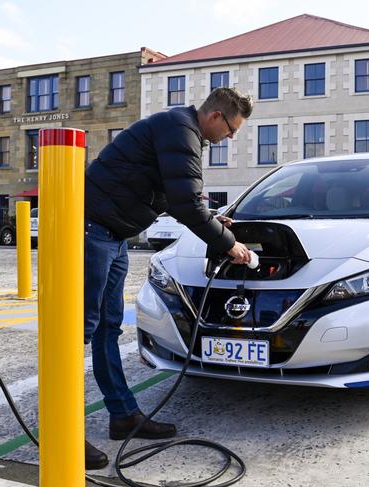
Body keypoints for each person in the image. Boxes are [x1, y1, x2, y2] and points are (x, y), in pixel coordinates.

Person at [82, 87, 254, 469]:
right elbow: (186, 204)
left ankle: (123, 414)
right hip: (91, 231)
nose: (231, 138)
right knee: (80, 330)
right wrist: (230, 245)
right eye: (232, 130)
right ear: (215, 117)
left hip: (113, 234)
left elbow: (178, 194)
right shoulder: (180, 130)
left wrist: (213, 221)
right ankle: (62, 430)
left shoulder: (181, 130)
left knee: (109, 328)